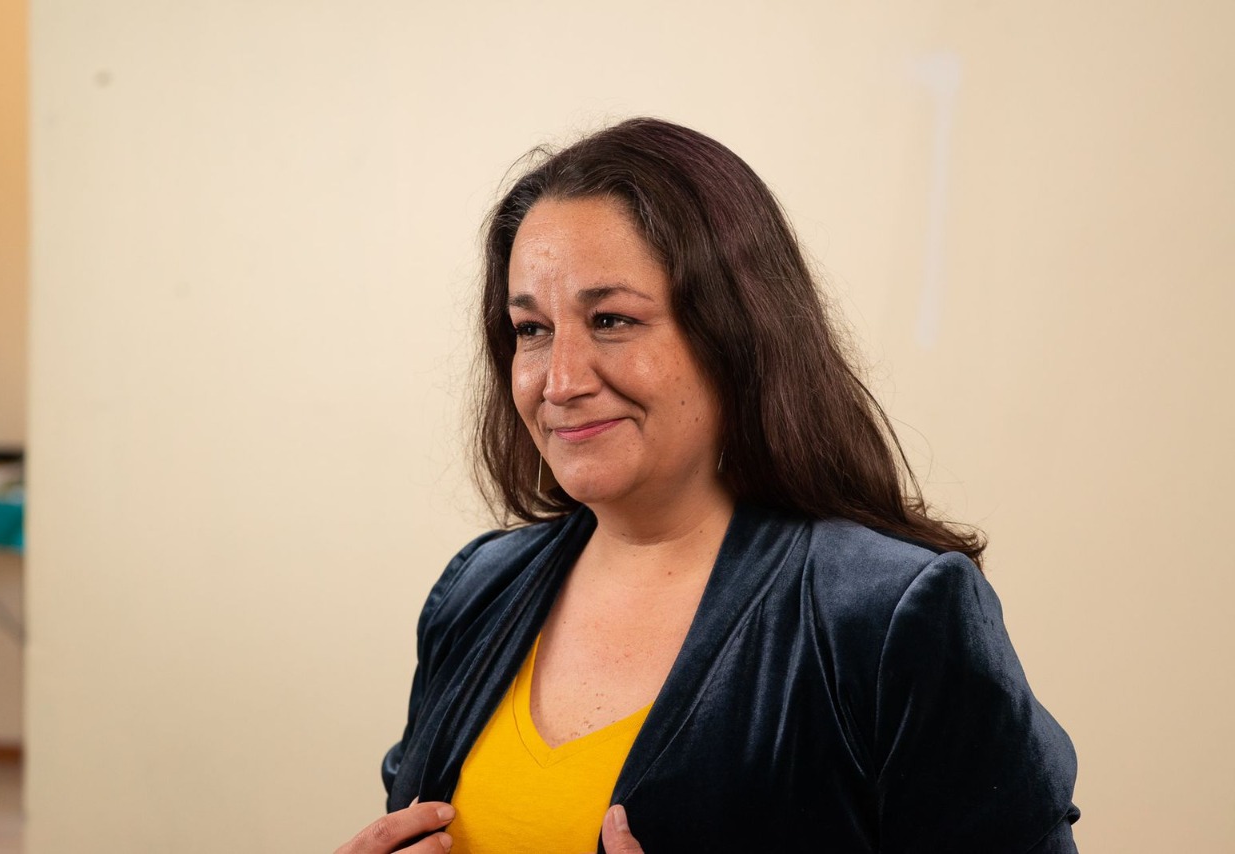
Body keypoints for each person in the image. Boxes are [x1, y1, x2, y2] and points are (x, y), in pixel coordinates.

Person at [335, 118, 1079, 853]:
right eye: (532, 330)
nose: (559, 382)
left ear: (735, 333)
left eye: (611, 319)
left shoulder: (890, 617)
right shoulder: (476, 592)